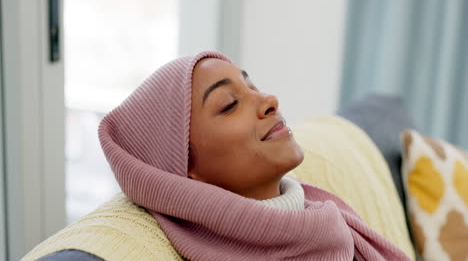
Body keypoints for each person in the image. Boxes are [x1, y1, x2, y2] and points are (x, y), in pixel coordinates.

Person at [98, 51, 411, 260]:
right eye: (229, 104)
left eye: (252, 86)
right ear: (183, 165)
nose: (269, 100)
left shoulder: (331, 222)